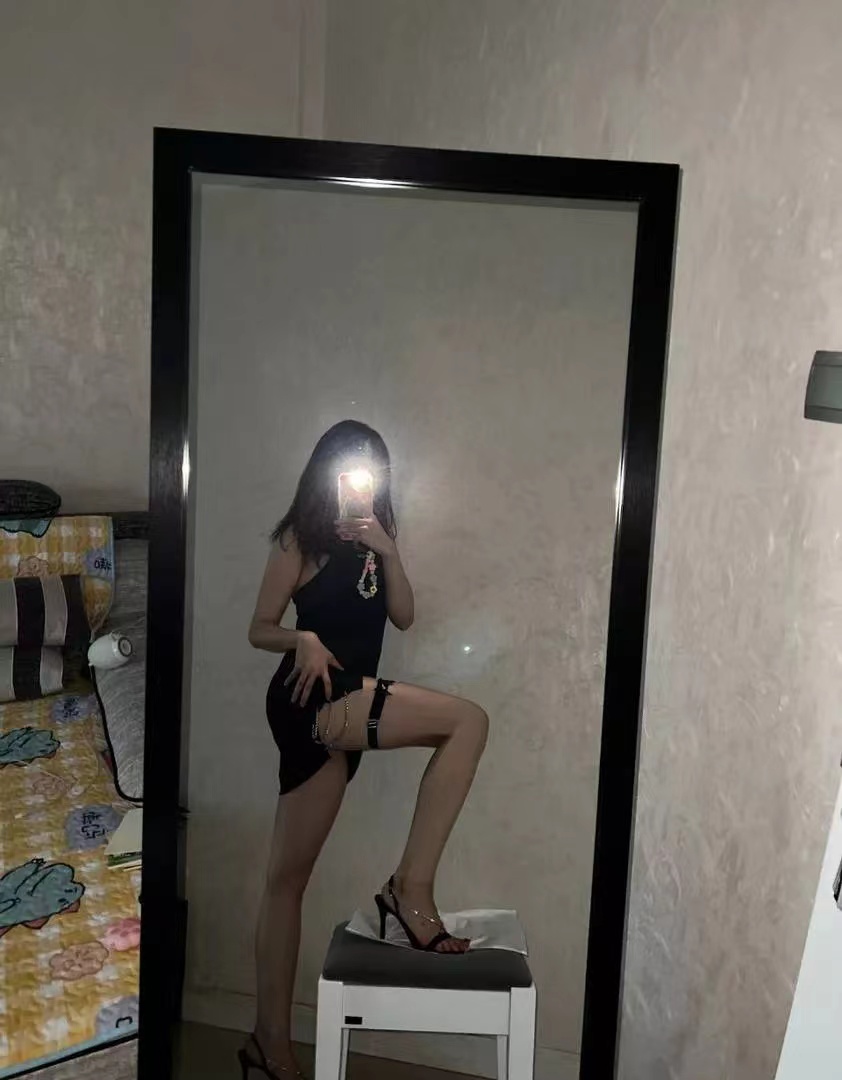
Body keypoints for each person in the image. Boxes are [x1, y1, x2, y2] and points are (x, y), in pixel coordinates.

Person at [238, 420, 489, 1079]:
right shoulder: (300, 538)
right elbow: (259, 627)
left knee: (286, 879)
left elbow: (403, 615)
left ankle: (266, 1044)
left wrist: (388, 547)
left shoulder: (377, 542)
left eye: (372, 471)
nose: (361, 483)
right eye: (350, 469)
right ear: (325, 473)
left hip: (346, 702)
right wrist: (302, 638)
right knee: (467, 722)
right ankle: (408, 893)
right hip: (312, 698)